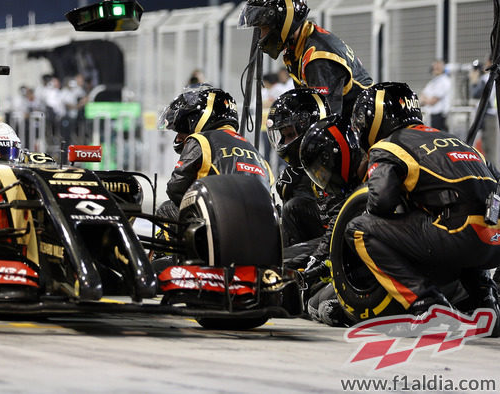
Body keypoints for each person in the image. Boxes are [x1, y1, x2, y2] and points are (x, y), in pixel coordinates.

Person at [347, 82, 500, 326]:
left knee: (359, 229)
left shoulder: (388, 145)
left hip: (458, 236)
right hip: (494, 241)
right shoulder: (454, 140)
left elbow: (381, 203)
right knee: (467, 218)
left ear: (375, 118)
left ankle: (426, 304)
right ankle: (487, 301)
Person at [239, 0, 373, 123]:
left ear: (282, 20)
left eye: (263, 27)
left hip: (362, 128)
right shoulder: (298, 47)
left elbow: (327, 123)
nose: (260, 36)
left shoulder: (318, 57)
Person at [156, 84, 274, 220]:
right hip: (262, 229)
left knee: (166, 209)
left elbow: (175, 188)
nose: (179, 136)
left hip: (222, 225)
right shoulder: (256, 153)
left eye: (182, 129)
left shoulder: (201, 140)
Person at [296, 114, 369, 327]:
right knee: (315, 303)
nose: (322, 179)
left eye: (322, 170)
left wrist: (318, 261)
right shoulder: (348, 184)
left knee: (324, 307)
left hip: (384, 261)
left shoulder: (376, 170)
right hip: (353, 260)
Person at [265, 88, 331, 246]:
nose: (285, 143)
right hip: (322, 241)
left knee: (294, 208)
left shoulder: (333, 160)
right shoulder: (299, 171)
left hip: (335, 243)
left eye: (290, 135)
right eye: (284, 136)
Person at [419, 58, 450, 130]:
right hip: (430, 116)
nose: (435, 69)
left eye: (438, 67)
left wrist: (425, 100)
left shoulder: (445, 81)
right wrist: (426, 100)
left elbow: (433, 101)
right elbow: (421, 96)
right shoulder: (432, 82)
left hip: (439, 117)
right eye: (434, 67)